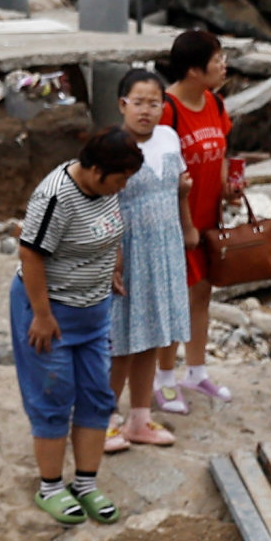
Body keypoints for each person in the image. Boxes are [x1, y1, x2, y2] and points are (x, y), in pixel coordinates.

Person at [13, 126, 141, 524]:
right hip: (51, 314)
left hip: (94, 311)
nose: (122, 187)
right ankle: (50, 486)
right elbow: (31, 255)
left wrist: (113, 267)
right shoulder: (56, 196)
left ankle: (86, 482)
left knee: (96, 395)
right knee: (52, 396)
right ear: (97, 170)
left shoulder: (108, 192)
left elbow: (111, 229)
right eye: (119, 179)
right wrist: (43, 314)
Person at [158, 26, 245, 410]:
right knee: (172, 300)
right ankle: (163, 379)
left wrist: (229, 185)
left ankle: (196, 371)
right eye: (216, 60)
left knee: (201, 295)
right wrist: (183, 222)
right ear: (193, 70)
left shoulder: (216, 104)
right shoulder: (166, 110)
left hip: (208, 218)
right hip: (174, 223)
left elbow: (222, 150)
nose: (224, 65)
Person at [106, 71, 190, 450]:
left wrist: (188, 227)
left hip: (166, 248)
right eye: (138, 102)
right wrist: (111, 257)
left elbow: (179, 187)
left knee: (152, 337)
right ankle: (104, 417)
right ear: (122, 104)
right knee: (119, 341)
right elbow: (99, 202)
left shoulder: (170, 138)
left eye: (154, 103)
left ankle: (140, 418)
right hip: (127, 251)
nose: (146, 111)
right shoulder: (112, 146)